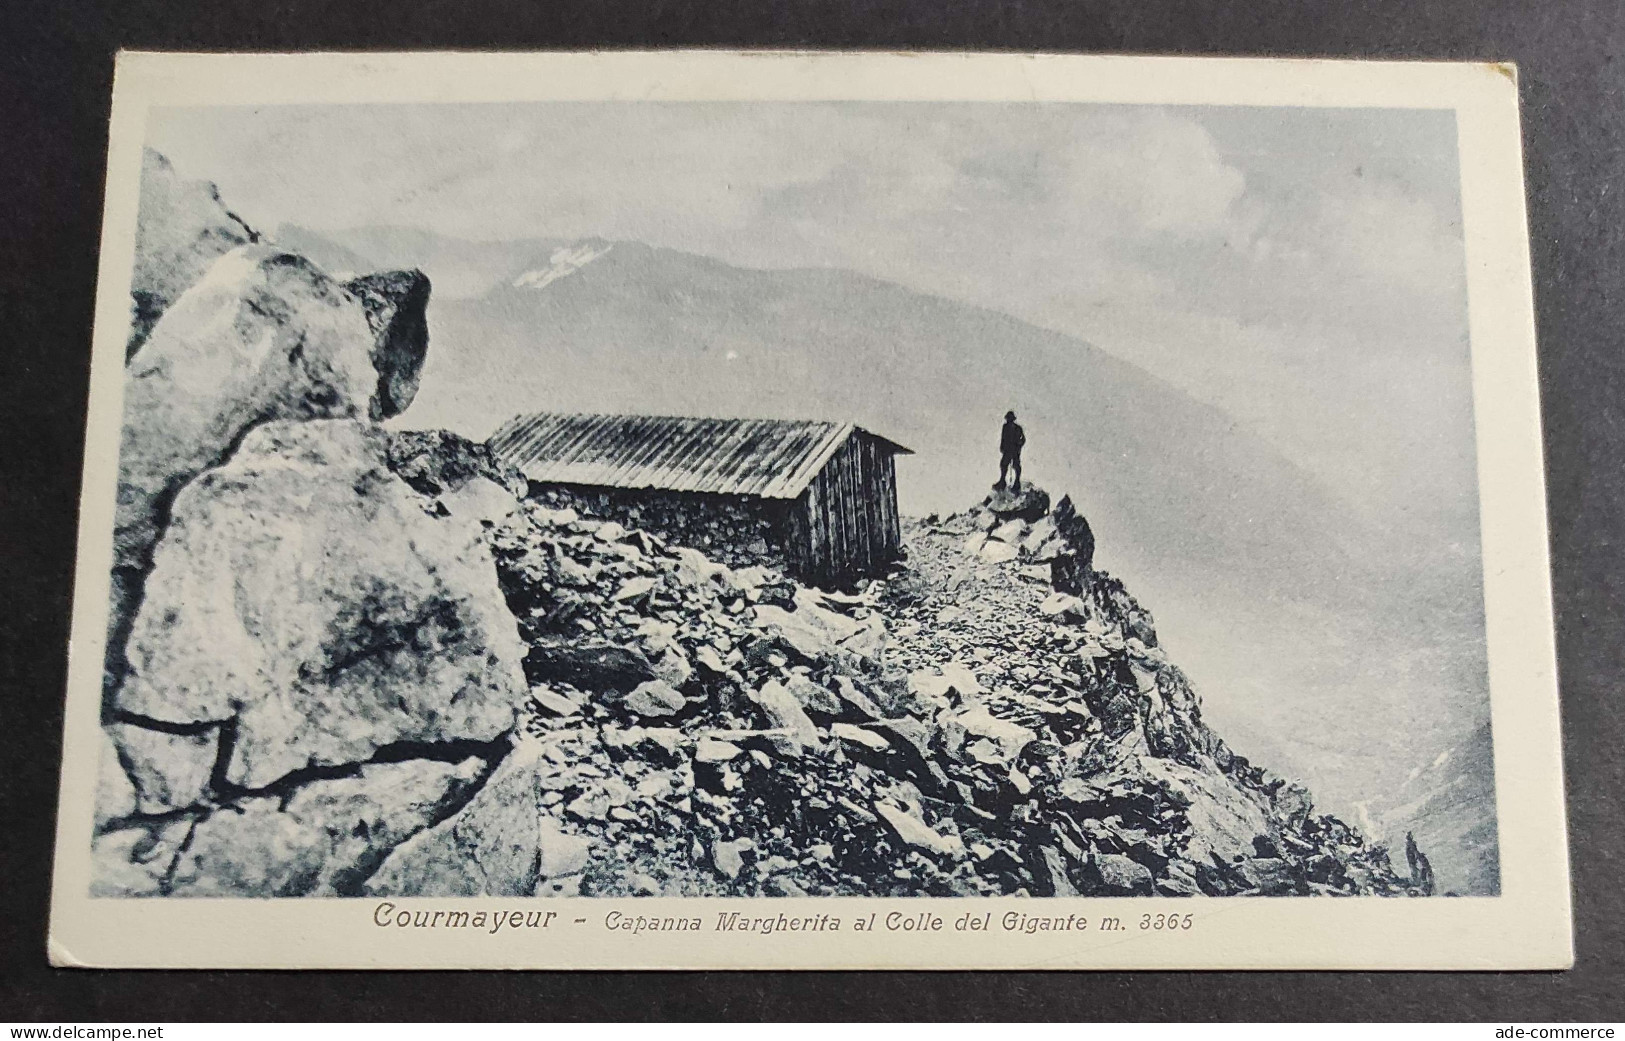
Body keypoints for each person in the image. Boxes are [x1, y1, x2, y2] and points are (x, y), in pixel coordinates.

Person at [998, 410, 1025, 492]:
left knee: (1016, 465)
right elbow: (1003, 438)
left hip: (1014, 450)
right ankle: (1002, 481)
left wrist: (1019, 445)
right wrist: (1002, 446)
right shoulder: (1005, 427)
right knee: (1004, 465)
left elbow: (1023, 439)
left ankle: (1017, 482)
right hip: (1007, 449)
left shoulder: (1018, 428)